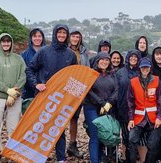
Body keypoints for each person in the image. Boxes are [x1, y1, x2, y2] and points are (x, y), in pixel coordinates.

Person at [25, 24, 77, 163]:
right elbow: (29, 69)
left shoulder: (71, 54)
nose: (61, 35)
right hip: (44, 95)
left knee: (59, 127)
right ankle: (38, 156)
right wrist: (36, 84)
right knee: (41, 125)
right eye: (59, 32)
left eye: (64, 33)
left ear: (67, 35)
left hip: (62, 97)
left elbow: (74, 77)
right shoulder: (43, 51)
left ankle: (61, 158)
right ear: (55, 34)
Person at [0, 33, 26, 160]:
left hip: (15, 98)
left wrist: (14, 94)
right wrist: (7, 90)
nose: (6, 44)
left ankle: (13, 151)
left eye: (8, 41)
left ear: (11, 43)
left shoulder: (19, 59)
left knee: (14, 127)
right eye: (3, 41)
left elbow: (23, 76)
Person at [83, 52, 118, 163]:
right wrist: (102, 103)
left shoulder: (112, 74)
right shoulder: (91, 74)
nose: (104, 62)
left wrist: (109, 103)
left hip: (108, 107)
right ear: (97, 61)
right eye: (102, 60)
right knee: (95, 135)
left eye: (107, 60)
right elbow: (88, 90)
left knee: (105, 134)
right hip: (92, 106)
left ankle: (105, 157)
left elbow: (117, 90)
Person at [127, 58, 161, 163]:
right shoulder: (133, 82)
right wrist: (130, 119)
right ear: (139, 68)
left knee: (153, 145)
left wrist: (159, 117)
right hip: (138, 119)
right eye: (143, 67)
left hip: (154, 119)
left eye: (147, 67)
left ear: (150, 68)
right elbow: (130, 102)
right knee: (131, 140)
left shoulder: (157, 80)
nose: (145, 69)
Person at [115, 49, 142, 163]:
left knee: (137, 135)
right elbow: (115, 90)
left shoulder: (141, 72)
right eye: (131, 57)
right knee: (125, 135)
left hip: (138, 108)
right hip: (123, 107)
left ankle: (137, 157)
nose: (133, 59)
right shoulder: (120, 72)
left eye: (136, 57)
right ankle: (125, 157)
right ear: (127, 58)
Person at [67, 30, 90, 159]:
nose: (75, 39)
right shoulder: (65, 50)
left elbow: (87, 68)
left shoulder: (83, 52)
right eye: (73, 36)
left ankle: (72, 143)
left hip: (80, 87)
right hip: (66, 87)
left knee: (74, 117)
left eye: (78, 37)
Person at [21, 28, 46, 100]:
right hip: (29, 90)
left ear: (42, 38)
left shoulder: (48, 52)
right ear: (31, 38)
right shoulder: (24, 54)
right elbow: (23, 72)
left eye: (39, 36)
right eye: (35, 36)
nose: (37, 38)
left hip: (45, 88)